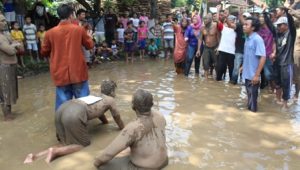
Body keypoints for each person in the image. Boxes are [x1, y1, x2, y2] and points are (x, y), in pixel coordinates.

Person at [24, 80, 125, 164]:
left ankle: (35, 156)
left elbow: (100, 113)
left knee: (65, 143)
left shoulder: (95, 96)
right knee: (82, 145)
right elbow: (117, 117)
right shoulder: (110, 100)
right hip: (74, 113)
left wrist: (105, 123)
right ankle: (55, 151)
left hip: (62, 109)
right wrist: (123, 129)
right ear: (112, 91)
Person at [94, 89, 168, 170]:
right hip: (164, 161)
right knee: (130, 147)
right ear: (152, 104)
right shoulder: (160, 115)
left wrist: (95, 163)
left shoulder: (133, 127)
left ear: (133, 106)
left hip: (145, 168)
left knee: (103, 164)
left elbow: (107, 155)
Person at [41, 4, 94, 111]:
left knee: (62, 108)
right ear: (71, 15)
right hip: (78, 71)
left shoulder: (49, 33)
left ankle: (61, 126)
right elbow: (89, 46)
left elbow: (44, 52)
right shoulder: (79, 30)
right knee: (84, 104)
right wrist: (90, 37)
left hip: (60, 73)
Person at [274, 9, 296, 108]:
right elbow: (271, 27)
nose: (278, 27)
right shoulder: (278, 35)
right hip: (277, 63)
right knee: (277, 83)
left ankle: (285, 104)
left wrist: (288, 13)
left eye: (280, 25)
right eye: (277, 25)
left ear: (286, 25)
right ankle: (277, 101)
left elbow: (292, 25)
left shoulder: (291, 34)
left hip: (287, 64)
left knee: (286, 85)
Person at [242, 17, 266, 112]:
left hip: (253, 77)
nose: (244, 26)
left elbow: (263, 57)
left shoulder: (257, 39)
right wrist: (242, 66)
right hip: (247, 74)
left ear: (253, 28)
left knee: (253, 107)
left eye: (246, 25)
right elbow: (249, 55)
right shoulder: (247, 38)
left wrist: (257, 75)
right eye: (244, 24)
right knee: (249, 101)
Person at [0, 14, 21, 121]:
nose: (5, 22)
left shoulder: (6, 35)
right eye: (2, 21)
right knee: (5, 91)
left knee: (11, 90)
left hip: (11, 65)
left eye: (5, 20)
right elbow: (11, 50)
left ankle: (9, 113)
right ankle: (6, 115)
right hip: (3, 66)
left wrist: (14, 45)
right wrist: (14, 45)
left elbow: (20, 46)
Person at [258, 10, 277, 92]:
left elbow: (274, 42)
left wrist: (274, 53)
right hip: (258, 54)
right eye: (259, 17)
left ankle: (274, 88)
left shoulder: (272, 28)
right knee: (257, 73)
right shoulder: (257, 28)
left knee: (268, 74)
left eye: (262, 17)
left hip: (268, 55)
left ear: (266, 19)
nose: (260, 19)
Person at [197, 13, 220, 79]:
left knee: (216, 65)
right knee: (205, 64)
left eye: (206, 19)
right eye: (204, 19)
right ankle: (206, 81)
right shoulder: (202, 28)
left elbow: (219, 38)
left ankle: (217, 81)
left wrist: (218, 47)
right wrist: (198, 50)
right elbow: (200, 39)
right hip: (206, 48)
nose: (204, 20)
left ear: (210, 20)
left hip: (214, 48)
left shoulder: (215, 26)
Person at [216, 15, 237, 81]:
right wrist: (218, 11)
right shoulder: (223, 28)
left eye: (232, 20)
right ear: (227, 21)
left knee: (231, 68)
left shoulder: (237, 30)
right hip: (222, 50)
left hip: (232, 52)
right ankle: (218, 80)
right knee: (220, 67)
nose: (231, 21)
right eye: (230, 20)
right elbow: (217, 21)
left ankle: (232, 81)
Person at [231, 11, 249, 84]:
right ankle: (233, 82)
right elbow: (232, 25)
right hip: (239, 51)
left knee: (246, 69)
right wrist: (240, 14)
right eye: (243, 17)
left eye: (246, 17)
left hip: (247, 52)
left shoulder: (252, 29)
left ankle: (243, 82)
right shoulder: (238, 26)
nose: (244, 19)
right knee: (236, 68)